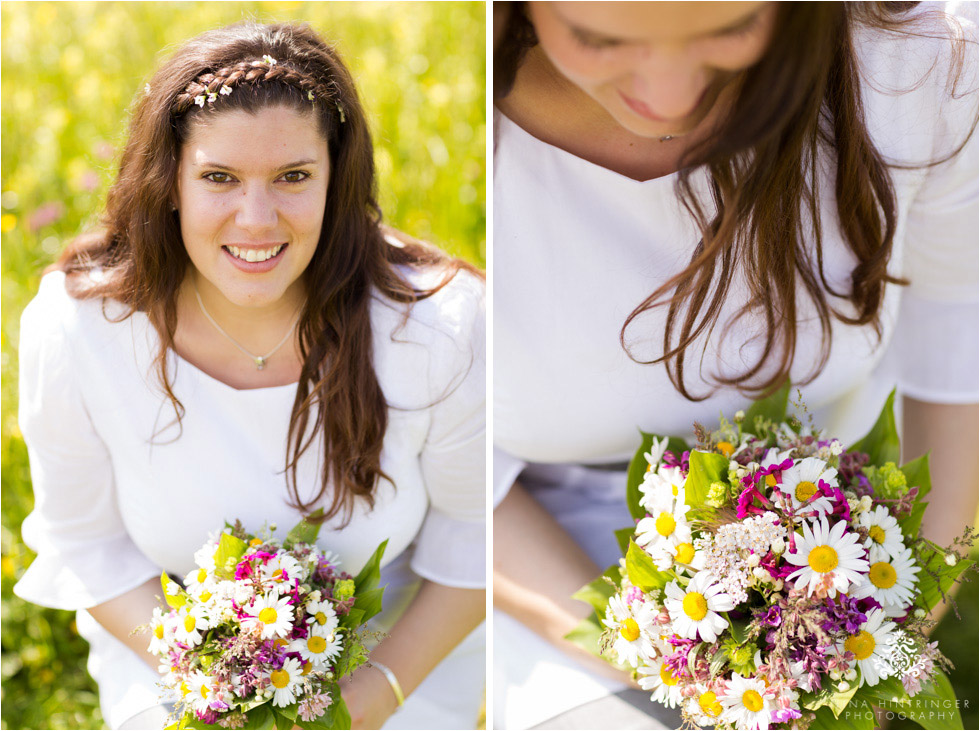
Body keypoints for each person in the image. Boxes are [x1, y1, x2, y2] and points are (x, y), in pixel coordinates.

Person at [492, 2, 977, 728]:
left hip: (819, 555)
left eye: (730, 28)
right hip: (534, 562)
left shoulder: (920, 63)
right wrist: (689, 673)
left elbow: (958, 341)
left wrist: (871, 641)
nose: (669, 96)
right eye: (597, 39)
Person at [13, 21, 486, 730]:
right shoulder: (81, 329)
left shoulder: (439, 325)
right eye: (219, 178)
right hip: (172, 657)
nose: (257, 219)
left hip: (396, 662)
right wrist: (214, 690)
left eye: (293, 177)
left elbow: (472, 536)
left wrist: (365, 703)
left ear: (335, 178)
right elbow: (88, 544)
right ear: (169, 183)